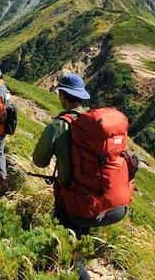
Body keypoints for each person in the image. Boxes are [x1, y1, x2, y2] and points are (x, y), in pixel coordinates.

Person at [32, 73, 133, 237]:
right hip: (116, 205)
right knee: (81, 234)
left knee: (64, 240)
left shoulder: (58, 126)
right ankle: (81, 249)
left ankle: (72, 259)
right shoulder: (96, 126)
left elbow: (39, 161)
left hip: (80, 205)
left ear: (63, 96)